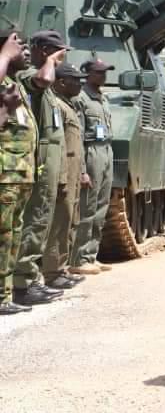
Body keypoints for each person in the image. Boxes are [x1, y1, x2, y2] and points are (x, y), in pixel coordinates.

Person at [12, 30, 68, 305]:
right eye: (59, 52)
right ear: (46, 51)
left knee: (42, 220)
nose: (63, 58)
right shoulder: (28, 75)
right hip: (39, 160)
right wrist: (51, 61)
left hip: (50, 161)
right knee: (34, 220)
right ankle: (23, 283)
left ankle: (32, 278)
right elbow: (43, 80)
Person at [0, 28, 38, 314]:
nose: (25, 52)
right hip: (5, 173)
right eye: (19, 47)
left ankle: (5, 294)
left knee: (11, 236)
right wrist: (4, 55)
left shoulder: (14, 83)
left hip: (19, 173)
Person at [42, 63, 89, 290]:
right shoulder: (57, 106)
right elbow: (56, 144)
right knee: (59, 222)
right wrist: (61, 176)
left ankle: (61, 268)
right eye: (76, 80)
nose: (80, 84)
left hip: (73, 171)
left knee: (70, 219)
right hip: (63, 171)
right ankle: (52, 272)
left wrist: (82, 172)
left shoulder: (69, 106)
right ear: (61, 82)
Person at [69, 59, 117, 275]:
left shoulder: (103, 98)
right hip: (90, 152)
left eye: (105, 72)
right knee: (87, 207)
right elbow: (77, 136)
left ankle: (91, 255)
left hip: (106, 150)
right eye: (99, 72)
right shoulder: (80, 98)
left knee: (101, 206)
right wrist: (81, 170)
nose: (103, 76)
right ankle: (78, 259)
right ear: (87, 74)